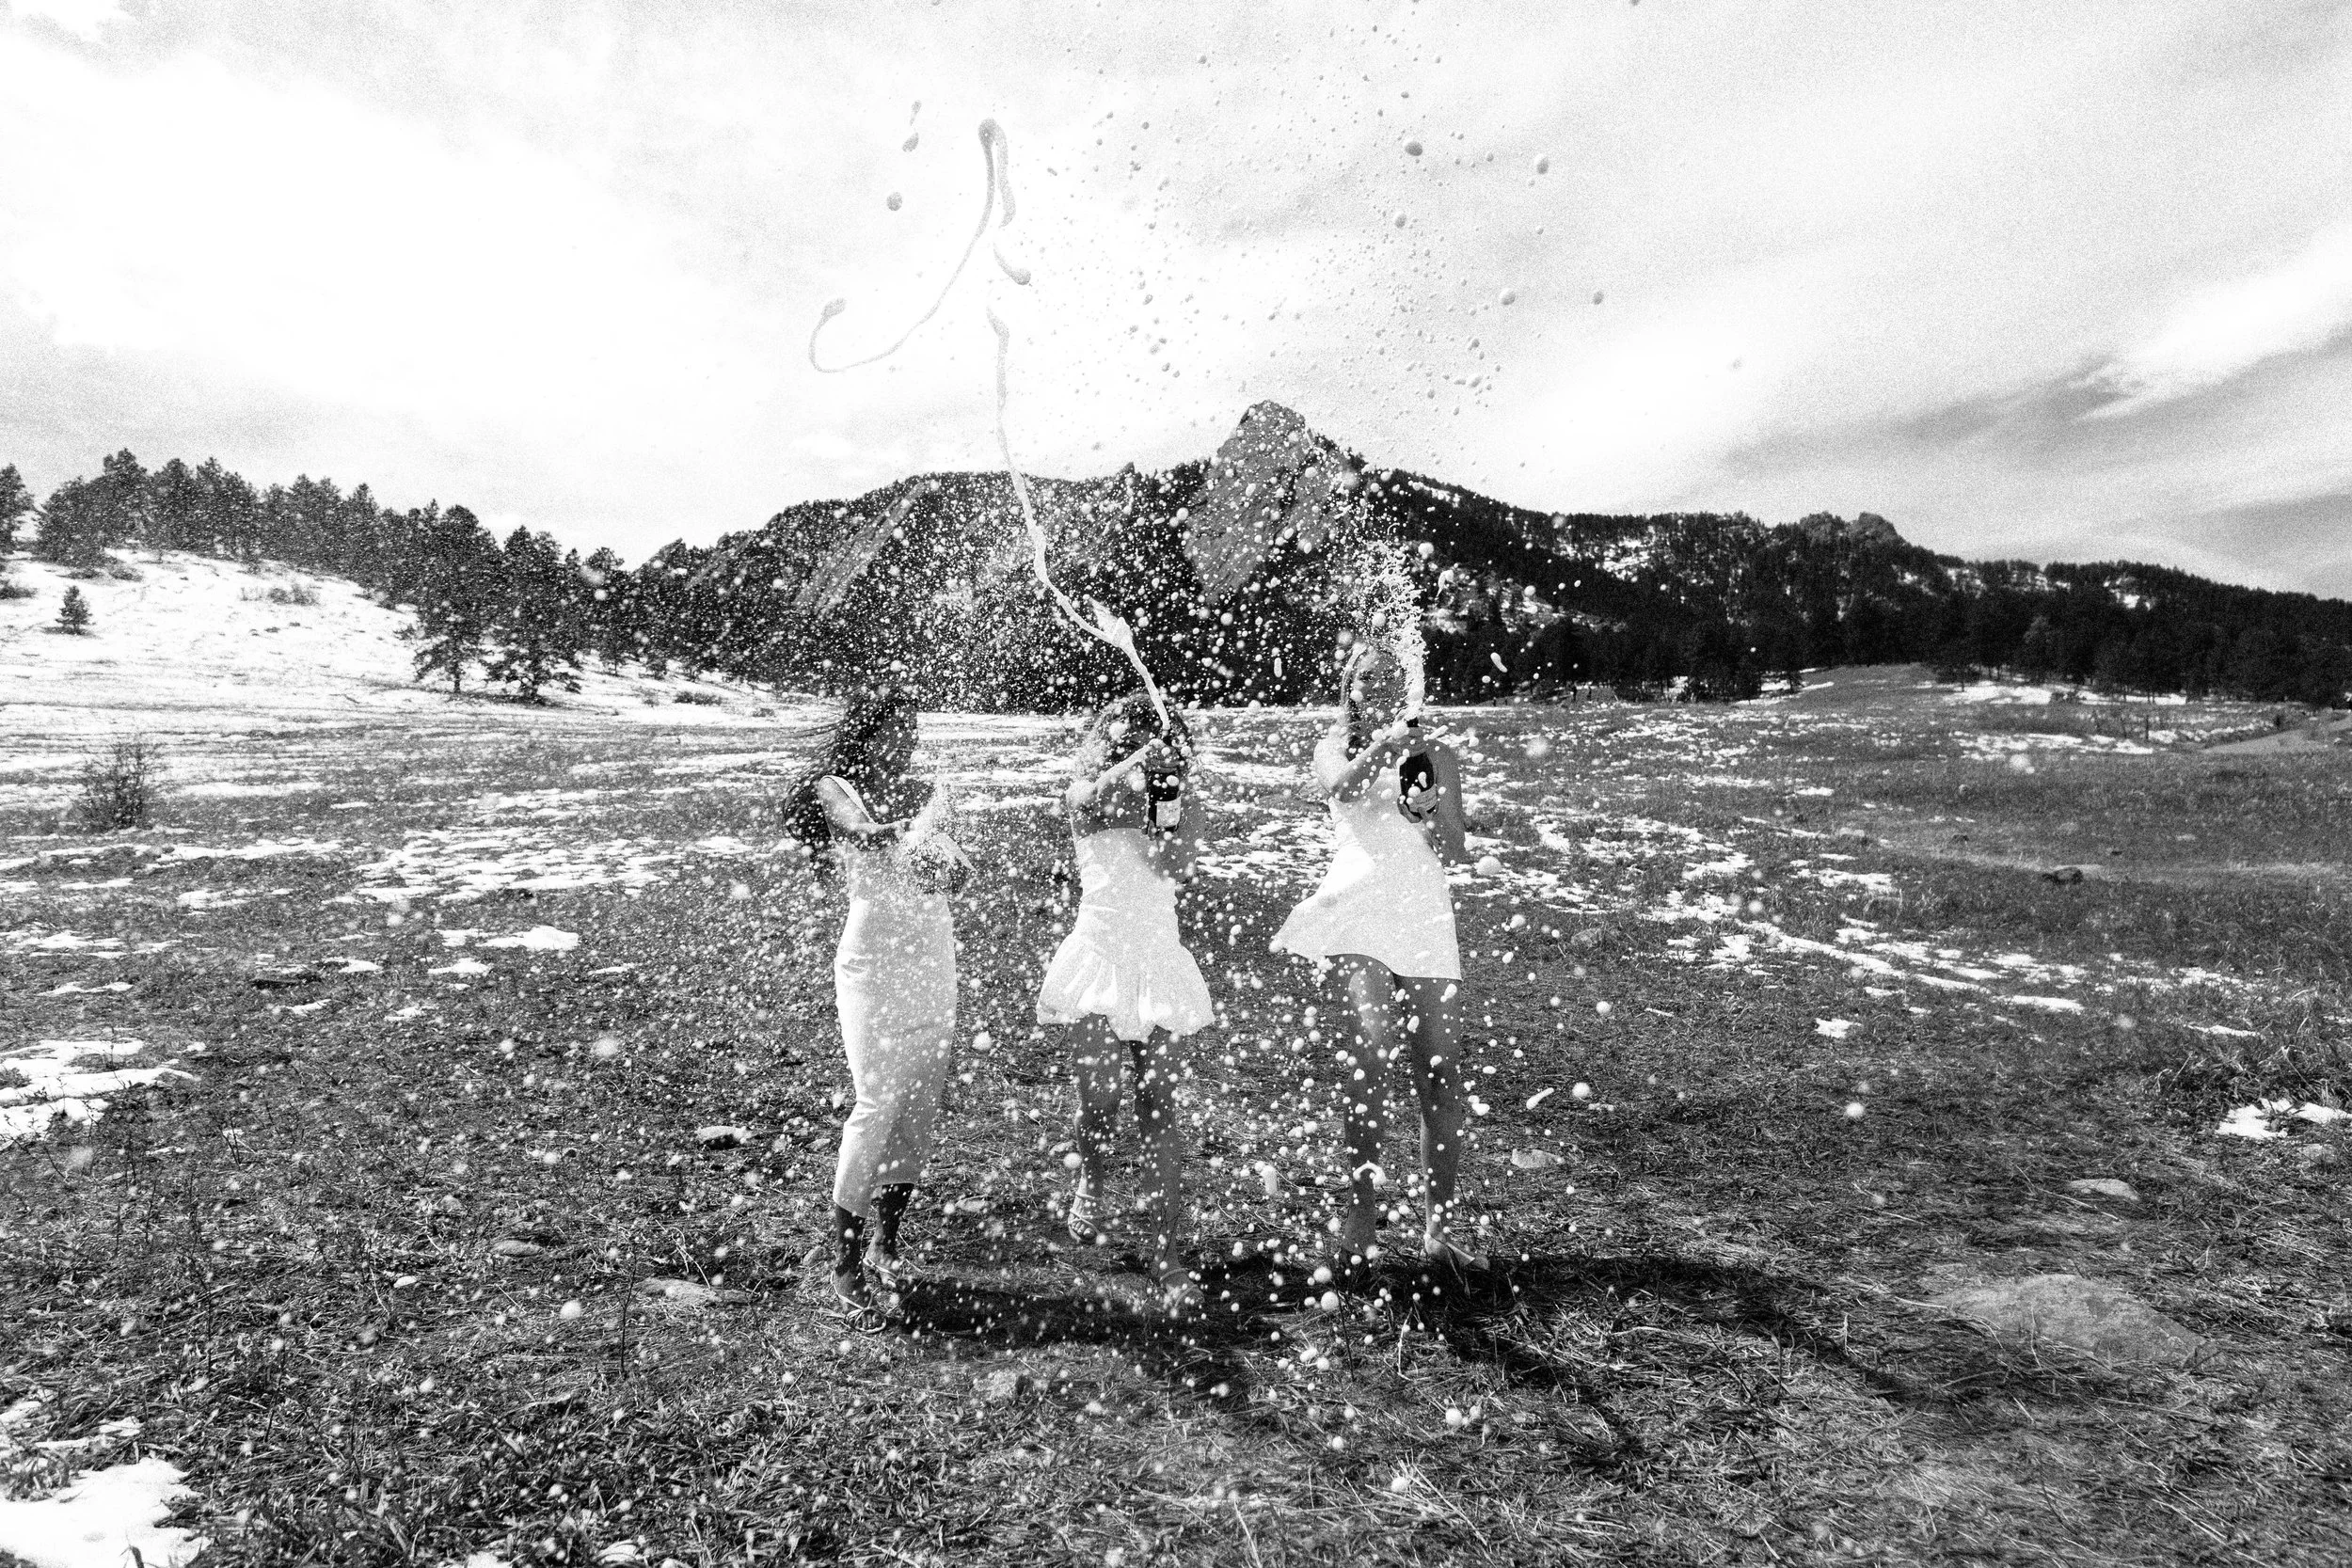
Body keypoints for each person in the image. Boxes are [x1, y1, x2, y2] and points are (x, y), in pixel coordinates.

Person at [1271, 641, 1481, 1275]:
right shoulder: (1333, 744)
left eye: (1396, 676)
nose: (1385, 684)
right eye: (1372, 677)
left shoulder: (1435, 752)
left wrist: (1427, 805)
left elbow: (1453, 844)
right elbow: (1342, 783)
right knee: (1371, 1052)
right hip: (1359, 908)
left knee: (1439, 1069)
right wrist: (1391, 744)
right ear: (1352, 687)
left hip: (1421, 911)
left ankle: (1438, 1233)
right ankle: (1360, 1218)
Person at [782, 686, 963, 1329]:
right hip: (873, 963)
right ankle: (845, 1261)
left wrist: (945, 862)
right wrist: (897, 835)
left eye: (911, 726)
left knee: (918, 1098)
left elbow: (956, 869)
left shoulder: (928, 791)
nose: (905, 738)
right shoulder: (840, 785)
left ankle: (888, 1238)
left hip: (932, 953)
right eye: (894, 726)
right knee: (875, 1100)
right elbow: (858, 829)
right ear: (868, 728)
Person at [1037, 691, 1214, 1313]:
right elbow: (1085, 806)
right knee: (1102, 1096)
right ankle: (1092, 1175)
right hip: (1098, 954)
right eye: (1129, 735)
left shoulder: (1177, 803)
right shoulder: (1089, 787)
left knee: (1159, 1104)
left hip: (1158, 959)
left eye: (1154, 738)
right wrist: (1138, 760)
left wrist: (1165, 794)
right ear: (1111, 740)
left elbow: (1173, 859)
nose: (1140, 745)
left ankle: (1166, 1250)